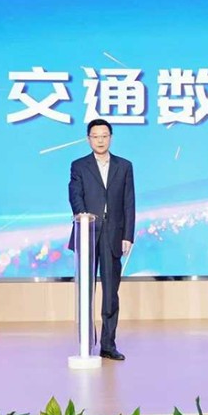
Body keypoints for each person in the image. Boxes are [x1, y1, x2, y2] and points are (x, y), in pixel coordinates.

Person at [67, 118, 135, 361]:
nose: (100, 140)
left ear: (111, 138)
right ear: (88, 139)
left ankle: (108, 344)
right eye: (95, 136)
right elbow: (75, 195)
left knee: (110, 293)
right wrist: (82, 217)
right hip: (87, 231)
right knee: (86, 291)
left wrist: (128, 235)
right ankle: (87, 342)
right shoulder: (79, 166)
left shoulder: (124, 166)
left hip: (113, 234)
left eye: (104, 136)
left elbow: (129, 202)